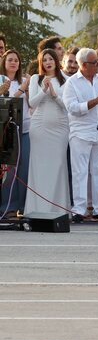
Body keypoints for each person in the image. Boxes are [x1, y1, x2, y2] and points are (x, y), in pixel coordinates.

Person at [62, 48, 98, 223]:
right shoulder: (72, 83)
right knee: (80, 172)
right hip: (81, 133)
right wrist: (95, 101)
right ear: (84, 65)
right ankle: (79, 209)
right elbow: (73, 108)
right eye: (95, 63)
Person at [24, 49, 70, 215]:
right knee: (39, 166)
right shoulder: (36, 78)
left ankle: (59, 209)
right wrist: (44, 90)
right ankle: (37, 209)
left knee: (58, 164)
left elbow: (67, 106)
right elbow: (32, 103)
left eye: (51, 59)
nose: (48, 62)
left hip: (60, 127)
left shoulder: (65, 79)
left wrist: (54, 95)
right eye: (44, 60)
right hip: (39, 126)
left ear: (56, 61)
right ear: (41, 63)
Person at [0, 50, 30, 218]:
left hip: (25, 129)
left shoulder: (25, 81)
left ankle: (23, 206)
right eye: (10, 60)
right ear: (4, 63)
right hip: (7, 132)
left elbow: (32, 103)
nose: (13, 63)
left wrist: (28, 87)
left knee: (24, 168)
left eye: (16, 60)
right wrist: (21, 90)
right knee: (9, 170)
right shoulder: (1, 81)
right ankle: (7, 206)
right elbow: (7, 102)